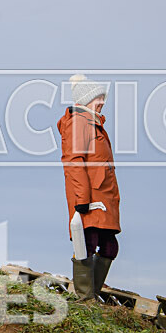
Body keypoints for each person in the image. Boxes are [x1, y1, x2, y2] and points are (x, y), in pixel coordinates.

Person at [58, 74, 120, 300]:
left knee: (109, 247)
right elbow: (74, 161)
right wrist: (81, 199)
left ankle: (90, 296)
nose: (103, 101)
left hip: (103, 197)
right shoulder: (78, 123)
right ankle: (85, 299)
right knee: (88, 243)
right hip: (91, 198)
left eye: (103, 96)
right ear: (85, 99)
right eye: (98, 97)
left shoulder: (93, 123)